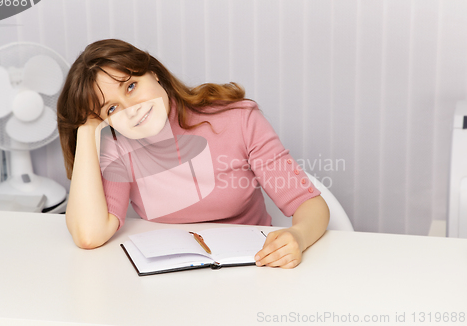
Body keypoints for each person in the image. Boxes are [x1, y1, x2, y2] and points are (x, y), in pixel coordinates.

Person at [57, 39, 329, 269]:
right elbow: (88, 235)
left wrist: (298, 236)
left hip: (252, 265)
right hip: (172, 273)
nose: (132, 109)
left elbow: (310, 205)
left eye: (131, 87)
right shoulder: (117, 145)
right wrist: (87, 128)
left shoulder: (238, 119)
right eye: (112, 109)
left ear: (154, 74)